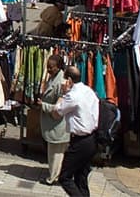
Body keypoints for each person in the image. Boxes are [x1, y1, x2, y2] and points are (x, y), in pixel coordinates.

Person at [52, 66, 100, 197]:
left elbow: (56, 113)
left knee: (65, 177)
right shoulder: (88, 91)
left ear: (69, 80)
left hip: (80, 141)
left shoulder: (72, 96)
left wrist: (63, 94)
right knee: (81, 177)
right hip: (92, 139)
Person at [37, 55, 71, 186]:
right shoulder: (53, 78)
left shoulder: (61, 82)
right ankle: (55, 174)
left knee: (56, 154)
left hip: (58, 125)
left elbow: (60, 107)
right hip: (52, 124)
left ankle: (53, 178)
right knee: (54, 153)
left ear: (58, 67)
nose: (48, 69)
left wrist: (43, 105)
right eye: (47, 67)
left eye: (51, 67)